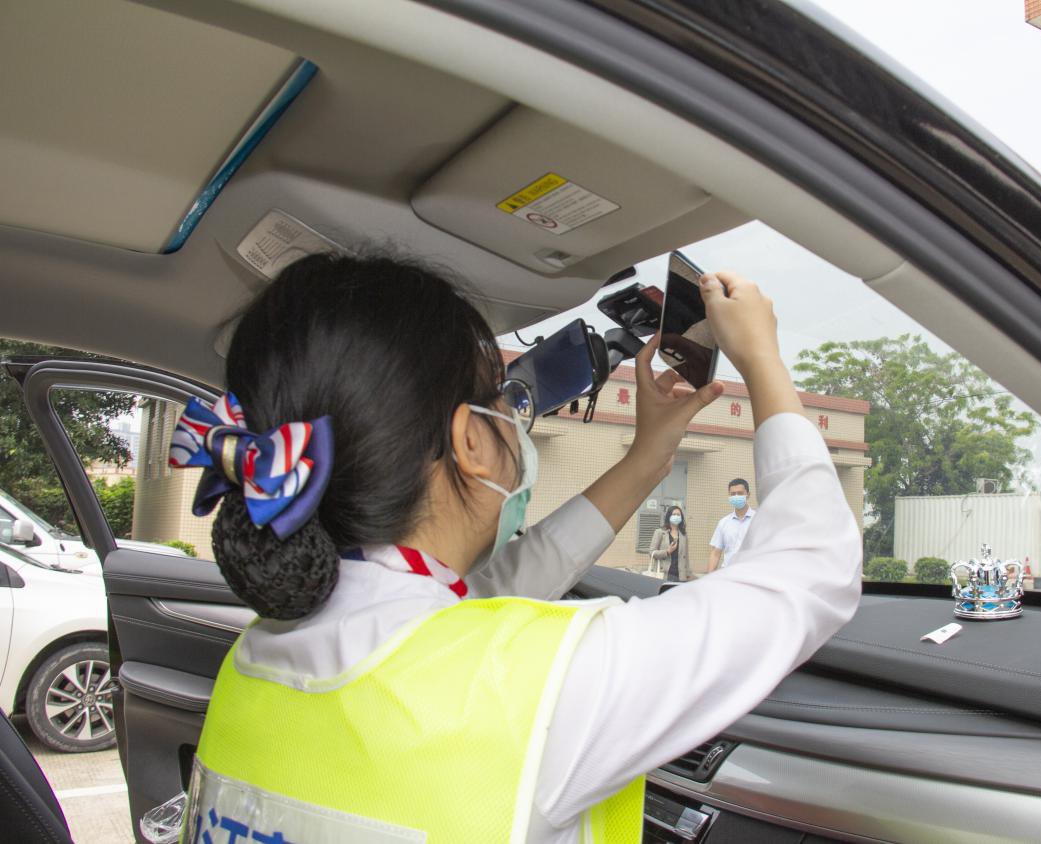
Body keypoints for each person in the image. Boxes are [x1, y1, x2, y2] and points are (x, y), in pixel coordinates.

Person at [170, 253, 861, 843]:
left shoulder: (260, 657)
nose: (516, 415)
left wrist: (651, 453)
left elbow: (488, 600)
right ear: (470, 440)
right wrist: (762, 359)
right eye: (504, 397)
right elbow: (813, 568)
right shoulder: (531, 687)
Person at [706, 478, 756, 572]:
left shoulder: (758, 520)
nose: (736, 496)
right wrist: (708, 579)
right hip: (728, 575)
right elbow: (715, 554)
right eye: (733, 494)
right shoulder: (723, 523)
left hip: (752, 575)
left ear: (748, 495)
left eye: (740, 493)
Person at [648, 505, 691, 581]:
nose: (676, 516)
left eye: (678, 515)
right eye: (674, 514)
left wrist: (687, 574)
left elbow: (686, 556)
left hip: (680, 576)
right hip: (664, 574)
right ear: (669, 516)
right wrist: (667, 552)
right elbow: (651, 552)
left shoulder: (683, 535)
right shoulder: (660, 532)